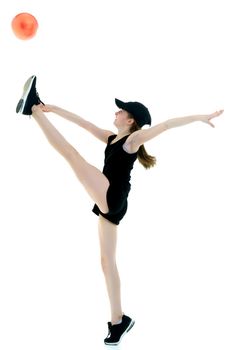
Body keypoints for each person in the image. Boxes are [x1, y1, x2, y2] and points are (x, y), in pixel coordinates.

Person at [16, 75, 224, 346]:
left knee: (71, 155)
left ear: (130, 120)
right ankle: (119, 320)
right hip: (110, 203)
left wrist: (200, 117)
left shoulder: (133, 140)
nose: (116, 111)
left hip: (112, 195)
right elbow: (85, 123)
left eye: (121, 110)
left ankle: (30, 109)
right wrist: (53, 108)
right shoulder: (112, 137)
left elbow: (167, 125)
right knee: (107, 263)